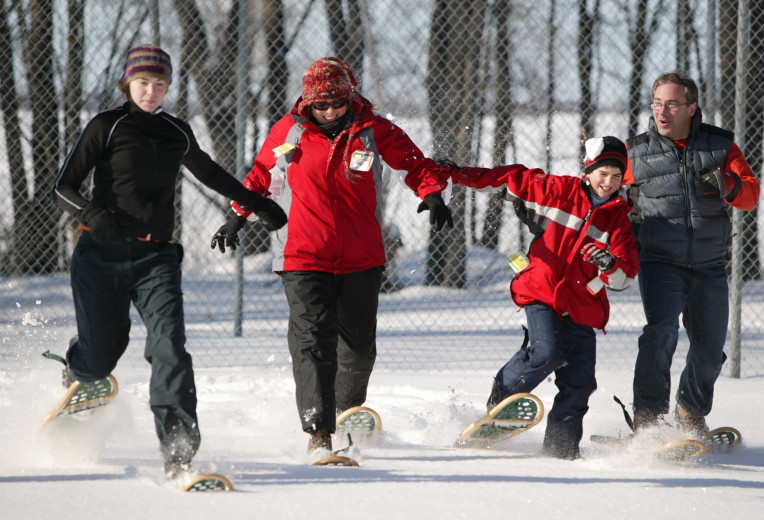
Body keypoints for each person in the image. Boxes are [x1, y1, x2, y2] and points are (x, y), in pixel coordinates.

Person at [53, 44, 287, 478]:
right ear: (127, 83)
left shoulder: (176, 132)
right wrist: (90, 213)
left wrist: (256, 204)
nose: (151, 91)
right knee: (101, 357)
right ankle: (78, 366)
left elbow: (211, 173)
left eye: (160, 84)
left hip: (156, 256)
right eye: (143, 82)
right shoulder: (106, 125)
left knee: (170, 349)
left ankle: (178, 447)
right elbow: (63, 186)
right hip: (100, 255)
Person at [210, 57, 453, 454]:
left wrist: (430, 192)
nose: (329, 112)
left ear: (350, 97)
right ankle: (318, 434)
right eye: (321, 106)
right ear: (308, 103)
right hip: (302, 255)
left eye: (337, 104)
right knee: (312, 342)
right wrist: (238, 216)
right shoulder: (289, 130)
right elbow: (259, 176)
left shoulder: (373, 130)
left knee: (357, 351)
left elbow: (414, 163)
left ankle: (346, 413)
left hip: (361, 257)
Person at [450, 136, 639, 459]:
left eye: (616, 177)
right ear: (588, 170)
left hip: (582, 306)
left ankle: (560, 450)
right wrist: (456, 174)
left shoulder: (618, 219)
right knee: (547, 351)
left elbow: (625, 277)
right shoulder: (560, 191)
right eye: (602, 174)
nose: (608, 183)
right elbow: (511, 179)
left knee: (579, 382)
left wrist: (608, 264)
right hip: (542, 291)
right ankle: (502, 397)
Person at [625, 72, 760, 436]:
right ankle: (648, 421)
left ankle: (690, 412)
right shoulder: (635, 152)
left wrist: (727, 184)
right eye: (656, 103)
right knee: (661, 332)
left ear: (691, 107)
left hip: (709, 264)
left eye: (671, 104)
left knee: (711, 346)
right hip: (659, 262)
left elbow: (750, 196)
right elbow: (602, 197)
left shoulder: (720, 146)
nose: (662, 111)